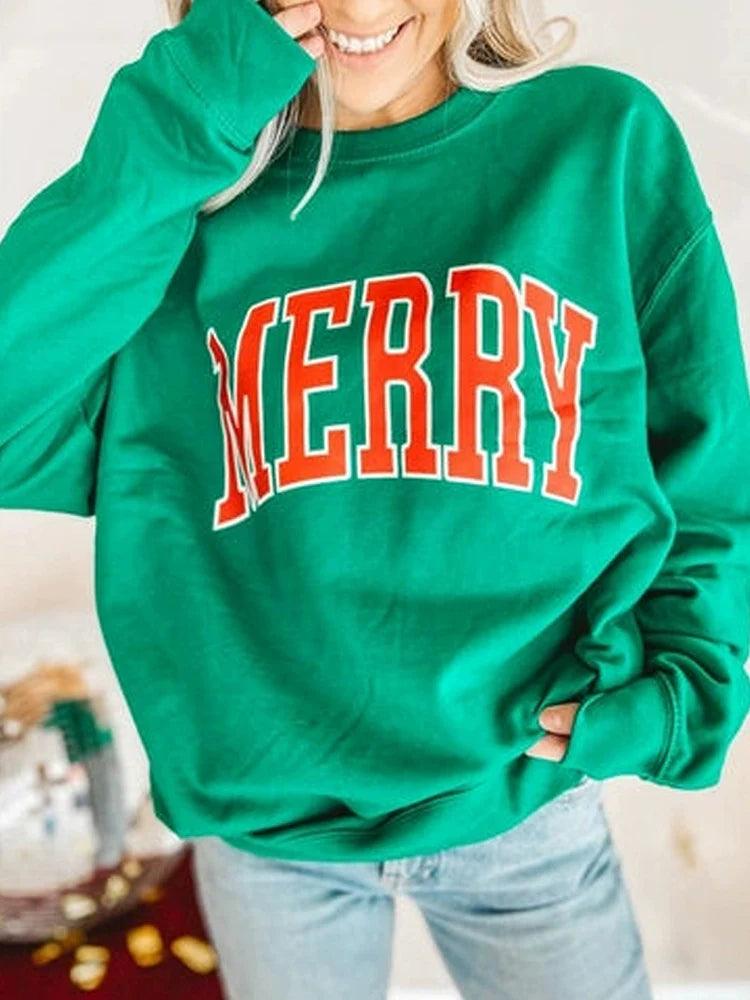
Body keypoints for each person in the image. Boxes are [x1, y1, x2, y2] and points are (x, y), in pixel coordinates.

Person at [1, 0, 749, 996]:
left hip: (525, 801)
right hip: (269, 836)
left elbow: (704, 451)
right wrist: (185, 112)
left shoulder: (597, 143)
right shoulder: (185, 208)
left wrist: (688, 686)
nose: (357, 5)